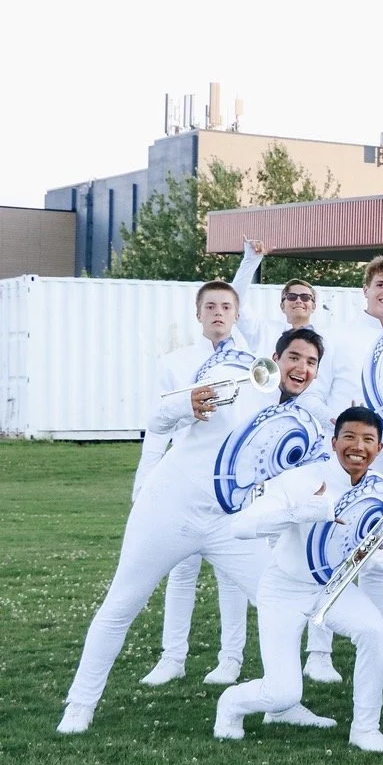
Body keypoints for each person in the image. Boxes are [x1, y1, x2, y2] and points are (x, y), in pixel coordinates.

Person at [58, 327, 332, 734]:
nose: (302, 368)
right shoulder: (237, 377)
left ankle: (280, 700)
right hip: (169, 507)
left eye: (311, 363)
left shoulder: (301, 417)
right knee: (122, 605)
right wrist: (185, 404)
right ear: (276, 357)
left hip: (228, 523)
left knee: (280, 603)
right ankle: (79, 704)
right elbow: (157, 419)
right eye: (295, 357)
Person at [214, 407, 383, 753]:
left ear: (378, 448)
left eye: (367, 440)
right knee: (281, 691)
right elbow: (239, 527)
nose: (357, 446)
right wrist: (296, 514)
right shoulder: (300, 479)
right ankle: (232, 704)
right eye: (349, 437)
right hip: (284, 589)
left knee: (375, 633)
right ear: (334, 442)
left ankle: (365, 729)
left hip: (332, 590)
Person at [296, 255, 383, 680]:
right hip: (339, 459)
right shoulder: (336, 337)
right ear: (365, 290)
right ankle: (319, 652)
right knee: (327, 547)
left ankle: (378, 648)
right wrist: (338, 426)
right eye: (381, 285)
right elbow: (311, 394)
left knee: (377, 553)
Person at [133, 277, 261, 688]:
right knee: (180, 571)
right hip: (182, 484)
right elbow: (157, 429)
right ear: (198, 314)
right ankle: (173, 657)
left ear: (237, 314)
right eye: (210, 307)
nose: (218, 313)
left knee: (232, 577)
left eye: (226, 306)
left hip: (231, 486)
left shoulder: (253, 365)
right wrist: (144, 483)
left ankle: (231, 659)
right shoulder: (175, 362)